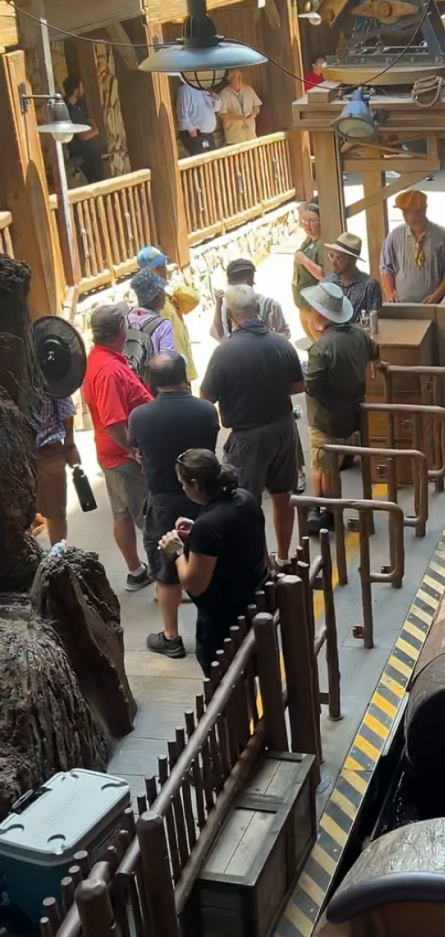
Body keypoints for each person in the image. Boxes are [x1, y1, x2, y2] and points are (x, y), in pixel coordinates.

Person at [200, 283, 305, 563]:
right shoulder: (280, 344)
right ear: (256, 309)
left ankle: (261, 562)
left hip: (248, 436)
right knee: (284, 494)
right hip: (284, 427)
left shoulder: (225, 353)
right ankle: (283, 555)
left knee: (246, 502)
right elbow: (298, 385)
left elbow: (206, 396)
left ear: (231, 315)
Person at [127, 353, 219, 659]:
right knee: (210, 559)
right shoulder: (206, 411)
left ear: (151, 382)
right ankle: (219, 628)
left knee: (167, 570)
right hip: (205, 495)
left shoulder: (140, 416)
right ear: (185, 376)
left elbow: (136, 449)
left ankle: (171, 637)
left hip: (164, 501)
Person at [158, 449, 269, 675]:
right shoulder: (244, 498)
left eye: (183, 483)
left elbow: (194, 584)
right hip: (256, 599)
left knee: (228, 684)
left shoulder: (209, 525)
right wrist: (197, 531)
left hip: (225, 619)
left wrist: (178, 552)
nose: (182, 488)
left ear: (196, 484)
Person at [82, 302, 152, 587]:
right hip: (124, 458)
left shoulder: (98, 359)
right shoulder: (108, 371)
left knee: (122, 513)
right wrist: (134, 452)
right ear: (121, 329)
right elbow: (114, 423)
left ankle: (137, 571)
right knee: (149, 519)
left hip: (112, 455)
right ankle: (165, 578)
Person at [301, 279, 379, 527]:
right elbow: (375, 351)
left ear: (321, 313)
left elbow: (312, 386)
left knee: (325, 465)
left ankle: (331, 515)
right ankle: (319, 507)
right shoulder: (358, 334)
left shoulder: (321, 348)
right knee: (325, 462)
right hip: (352, 412)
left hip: (325, 417)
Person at [381, 188, 445, 305]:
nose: (405, 216)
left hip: (433, 304)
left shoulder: (443, 237)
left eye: (409, 211)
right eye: (404, 212)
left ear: (423, 211)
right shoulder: (394, 236)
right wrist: (390, 292)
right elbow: (385, 267)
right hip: (401, 305)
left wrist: (437, 296)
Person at [135, 245, 198, 381]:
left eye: (163, 264)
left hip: (182, 365)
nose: (164, 269)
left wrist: (175, 288)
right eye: (158, 267)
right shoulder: (151, 302)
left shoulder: (169, 295)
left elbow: (194, 300)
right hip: (169, 372)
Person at [297, 230, 382, 320]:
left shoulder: (369, 286)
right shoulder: (327, 283)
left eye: (338, 258)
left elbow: (373, 324)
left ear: (352, 260)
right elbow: (317, 318)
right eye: (331, 255)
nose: (333, 262)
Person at [35, 394, 80, 546]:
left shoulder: (51, 376)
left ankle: (58, 557)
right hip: (15, 453)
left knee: (55, 513)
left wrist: (70, 445)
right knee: (17, 516)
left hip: (49, 452)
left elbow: (66, 410)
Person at [211, 256, 290, 341]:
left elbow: (219, 334)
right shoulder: (271, 305)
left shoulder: (270, 305)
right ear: (251, 280)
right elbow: (284, 334)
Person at [62, 75, 106, 184]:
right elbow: (84, 135)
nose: (83, 90)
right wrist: (92, 130)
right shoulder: (69, 111)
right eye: (81, 87)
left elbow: (91, 123)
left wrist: (92, 129)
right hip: (82, 155)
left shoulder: (79, 107)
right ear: (76, 90)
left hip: (89, 153)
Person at [127, 269, 176, 364]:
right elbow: (167, 364)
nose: (165, 294)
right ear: (157, 296)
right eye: (162, 291)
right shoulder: (163, 326)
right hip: (154, 377)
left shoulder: (126, 319)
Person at [292, 200, 325, 339]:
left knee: (321, 344)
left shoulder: (322, 244)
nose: (307, 224)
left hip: (314, 307)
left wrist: (305, 261)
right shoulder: (309, 239)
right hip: (303, 303)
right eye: (305, 220)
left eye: (313, 221)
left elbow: (324, 275)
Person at [217, 68, 262, 146]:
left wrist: (254, 114)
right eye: (236, 77)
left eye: (240, 76)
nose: (239, 79)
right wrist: (238, 118)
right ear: (229, 78)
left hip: (251, 137)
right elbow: (222, 116)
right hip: (235, 140)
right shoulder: (223, 94)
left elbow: (257, 106)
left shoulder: (248, 89)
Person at [177, 77, 220, 155]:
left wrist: (215, 100)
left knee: (212, 160)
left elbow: (216, 108)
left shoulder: (204, 89)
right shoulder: (185, 90)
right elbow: (182, 113)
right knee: (200, 161)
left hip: (208, 134)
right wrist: (191, 129)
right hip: (194, 134)